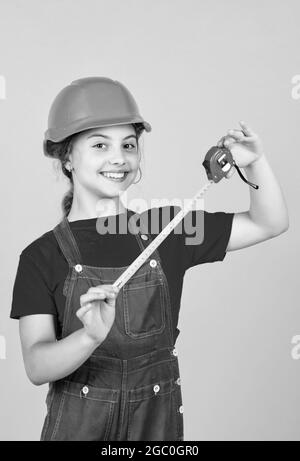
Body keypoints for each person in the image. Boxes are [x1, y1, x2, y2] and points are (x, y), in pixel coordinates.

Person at [10, 76, 289, 441]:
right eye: (99, 145)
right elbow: (36, 365)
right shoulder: (39, 257)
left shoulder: (168, 227)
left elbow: (270, 223)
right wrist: (89, 337)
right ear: (67, 157)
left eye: (128, 145)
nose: (119, 158)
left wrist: (255, 164)